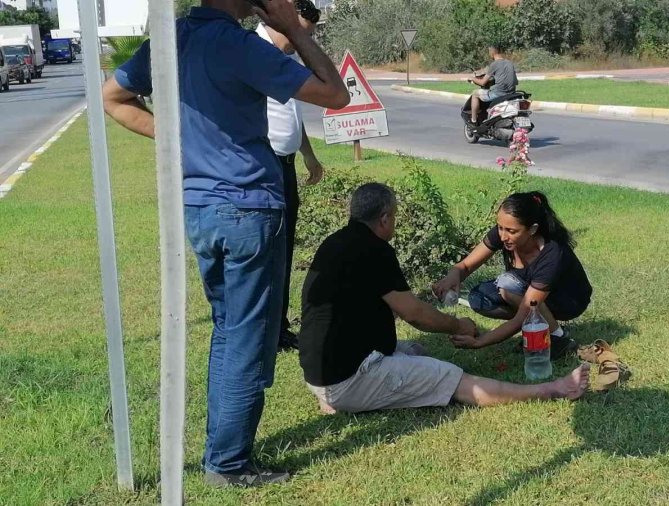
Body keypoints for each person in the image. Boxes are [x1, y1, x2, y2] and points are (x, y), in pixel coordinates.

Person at [102, 0, 349, 488]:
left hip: (198, 208)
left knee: (228, 328)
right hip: (248, 207)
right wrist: (294, 32)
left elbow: (113, 97)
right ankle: (229, 463)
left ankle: (223, 449)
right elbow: (335, 95)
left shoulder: (172, 40)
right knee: (246, 338)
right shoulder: (239, 46)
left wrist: (179, 140)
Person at [299, 183, 590, 414]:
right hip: (347, 377)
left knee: (415, 351)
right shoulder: (375, 250)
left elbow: (527, 310)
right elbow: (415, 313)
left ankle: (335, 395)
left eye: (511, 230)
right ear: (385, 219)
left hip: (319, 370)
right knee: (454, 378)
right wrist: (459, 326)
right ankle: (554, 389)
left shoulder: (336, 242)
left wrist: (480, 336)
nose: (503, 235)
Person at [433, 192, 592, 358]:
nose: (503, 236)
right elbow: (465, 265)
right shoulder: (504, 234)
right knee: (480, 298)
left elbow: (523, 313)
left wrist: (481, 341)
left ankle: (558, 338)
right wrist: (452, 277)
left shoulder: (552, 253)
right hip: (530, 292)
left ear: (532, 229)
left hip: (569, 300)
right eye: (500, 227)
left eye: (511, 231)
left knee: (507, 286)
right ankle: (538, 327)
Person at [256, 15, 325, 351]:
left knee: (283, 250)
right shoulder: (252, 52)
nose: (302, 39)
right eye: (300, 32)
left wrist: (308, 154)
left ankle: (278, 327)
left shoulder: (282, 59)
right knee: (267, 253)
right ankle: (266, 330)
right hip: (262, 166)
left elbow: (290, 114)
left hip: (286, 164)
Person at [468, 44, 518, 125]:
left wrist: (472, 78)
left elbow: (482, 82)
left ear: (492, 52)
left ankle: (473, 121)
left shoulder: (494, 65)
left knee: (475, 94)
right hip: (511, 93)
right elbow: (516, 81)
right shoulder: (509, 63)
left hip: (498, 93)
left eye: (489, 52)